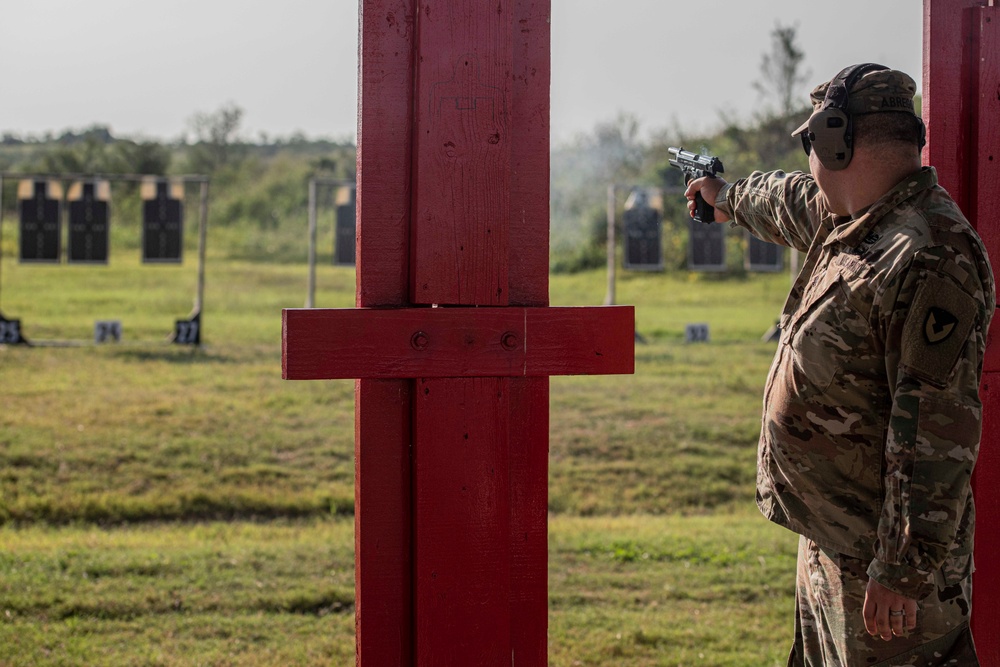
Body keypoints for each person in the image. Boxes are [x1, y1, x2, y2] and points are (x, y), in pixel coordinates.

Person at [685, 64, 995, 666]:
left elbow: (935, 429)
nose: (810, 165)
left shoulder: (930, 253)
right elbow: (786, 199)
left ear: (836, 140)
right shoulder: (854, 220)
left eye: (812, 146)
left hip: (885, 571)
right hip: (834, 541)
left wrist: (902, 570)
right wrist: (724, 198)